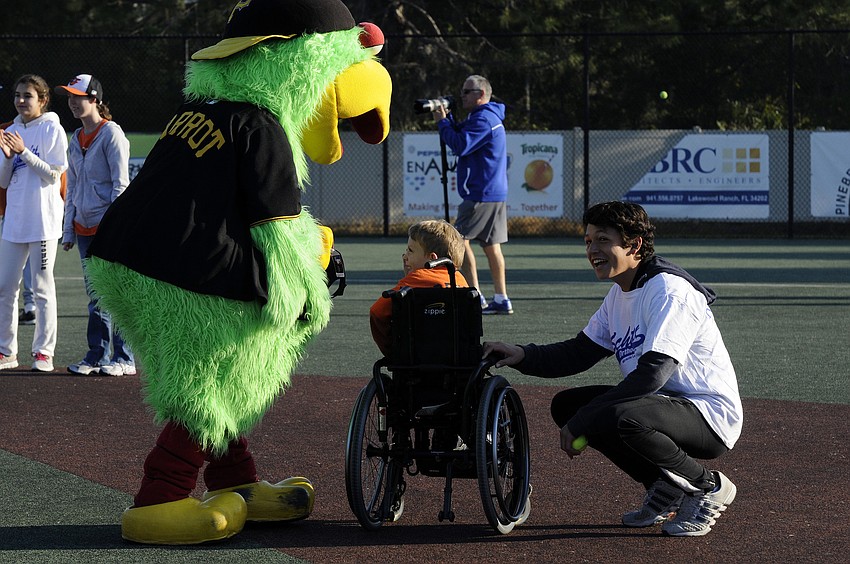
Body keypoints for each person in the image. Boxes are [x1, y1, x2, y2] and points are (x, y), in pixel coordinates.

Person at [483, 201, 742, 537]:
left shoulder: (669, 291)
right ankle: (664, 487)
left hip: (707, 416)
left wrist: (587, 419)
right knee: (568, 406)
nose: (593, 250)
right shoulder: (619, 294)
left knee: (617, 415)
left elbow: (653, 374)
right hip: (659, 407)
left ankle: (707, 487)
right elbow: (578, 353)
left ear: (633, 245)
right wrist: (521, 354)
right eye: (588, 241)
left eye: (603, 240)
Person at [55, 74, 135, 377]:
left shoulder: (112, 134)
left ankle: (124, 358)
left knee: (116, 293)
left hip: (108, 228)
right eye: (69, 97)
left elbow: (120, 186)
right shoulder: (75, 138)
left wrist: (116, 229)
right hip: (84, 228)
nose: (73, 102)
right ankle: (97, 356)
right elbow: (72, 187)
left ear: (95, 99)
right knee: (96, 297)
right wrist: (68, 230)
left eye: (78, 96)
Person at [0, 74, 68, 372]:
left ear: (42, 100)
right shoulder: (11, 130)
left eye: (27, 95)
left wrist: (23, 152)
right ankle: (6, 352)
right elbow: (4, 180)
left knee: (41, 288)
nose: (20, 100)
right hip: (14, 221)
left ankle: (43, 353)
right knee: (5, 287)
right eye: (17, 95)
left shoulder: (52, 128)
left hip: (43, 222)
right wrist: (6, 157)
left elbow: (53, 175)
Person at [432, 74, 512, 315]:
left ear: (481, 95)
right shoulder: (486, 117)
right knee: (491, 246)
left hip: (480, 194)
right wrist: (449, 119)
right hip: (493, 192)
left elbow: (460, 145)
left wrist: (442, 122)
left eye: (467, 92)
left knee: (459, 242)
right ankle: (501, 298)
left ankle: (474, 297)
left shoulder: (483, 120)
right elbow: (464, 135)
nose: (462, 95)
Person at [370, 219, 468, 356]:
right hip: (458, 355)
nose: (405, 256)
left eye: (410, 251)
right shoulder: (461, 280)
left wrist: (390, 348)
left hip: (416, 355)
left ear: (432, 259)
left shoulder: (416, 279)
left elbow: (377, 311)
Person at [0, 117, 35, 326]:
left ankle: (30, 307)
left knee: (28, 267)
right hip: (11, 210)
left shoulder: (12, 131)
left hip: (14, 210)